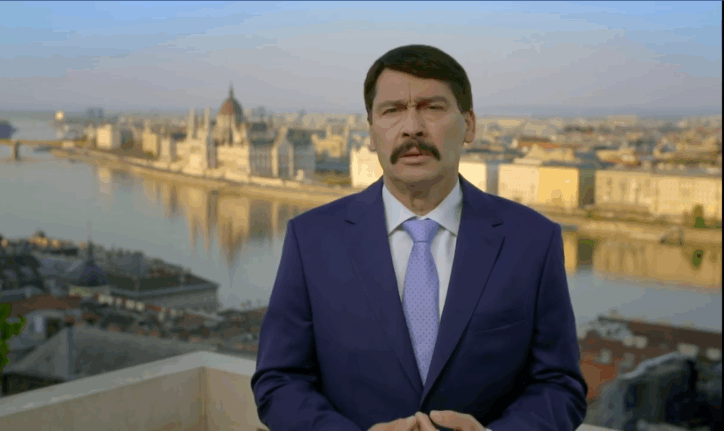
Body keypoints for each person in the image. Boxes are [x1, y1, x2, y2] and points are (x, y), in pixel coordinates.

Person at [251, 44, 588, 431]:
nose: (412, 127)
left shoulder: (533, 240)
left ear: (470, 125)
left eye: (432, 108)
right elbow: (279, 380)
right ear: (371, 133)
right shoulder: (311, 238)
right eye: (392, 111)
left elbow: (560, 385)